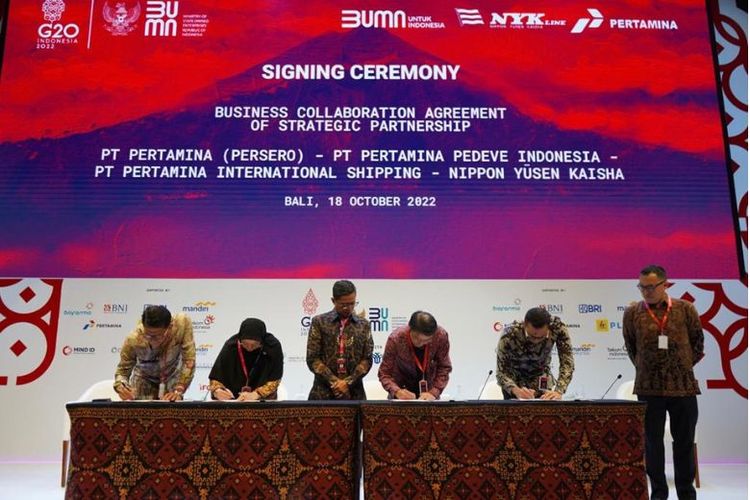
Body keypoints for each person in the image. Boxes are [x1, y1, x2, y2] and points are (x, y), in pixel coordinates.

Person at [623, 265, 704, 500]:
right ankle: (658, 493)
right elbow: (631, 346)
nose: (646, 291)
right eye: (642, 287)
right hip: (649, 388)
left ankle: (686, 493)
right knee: (653, 444)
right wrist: (646, 368)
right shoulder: (632, 312)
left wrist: (680, 366)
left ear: (665, 284)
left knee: (684, 442)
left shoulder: (685, 308)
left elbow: (697, 343)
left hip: (683, 387)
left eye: (651, 287)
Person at [306, 280, 373, 399]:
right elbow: (313, 359)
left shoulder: (364, 325)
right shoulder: (319, 322)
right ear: (333, 301)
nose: (349, 308)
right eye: (343, 304)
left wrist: (347, 383)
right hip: (323, 393)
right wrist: (335, 382)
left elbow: (367, 359)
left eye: (352, 303)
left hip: (354, 394)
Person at [114, 305, 196, 400]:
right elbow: (122, 371)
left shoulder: (181, 324)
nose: (152, 340)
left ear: (169, 327)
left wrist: (178, 390)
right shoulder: (134, 339)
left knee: (172, 405)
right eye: (148, 335)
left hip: (172, 377)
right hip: (143, 380)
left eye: (157, 336)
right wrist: (121, 387)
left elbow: (189, 360)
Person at [495, 307, 574, 400]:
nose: (536, 341)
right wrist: (516, 390)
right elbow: (501, 372)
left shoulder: (557, 328)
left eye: (542, 337)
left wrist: (558, 391)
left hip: (542, 379)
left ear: (549, 327)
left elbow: (567, 363)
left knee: (546, 407)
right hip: (515, 382)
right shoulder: (509, 334)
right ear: (525, 325)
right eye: (531, 336)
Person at [378, 311, 452, 400]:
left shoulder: (440, 336)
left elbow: (444, 367)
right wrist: (397, 391)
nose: (420, 343)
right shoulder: (396, 339)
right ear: (410, 329)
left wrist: (434, 392)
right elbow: (384, 373)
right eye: (416, 338)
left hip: (429, 395)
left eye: (426, 341)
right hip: (401, 395)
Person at [208, 318, 284, 401]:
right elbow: (216, 376)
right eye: (245, 344)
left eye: (254, 345)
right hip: (233, 399)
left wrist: (256, 394)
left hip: (263, 399)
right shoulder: (231, 346)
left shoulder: (272, 347)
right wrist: (217, 390)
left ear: (262, 341)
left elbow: (275, 379)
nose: (249, 348)